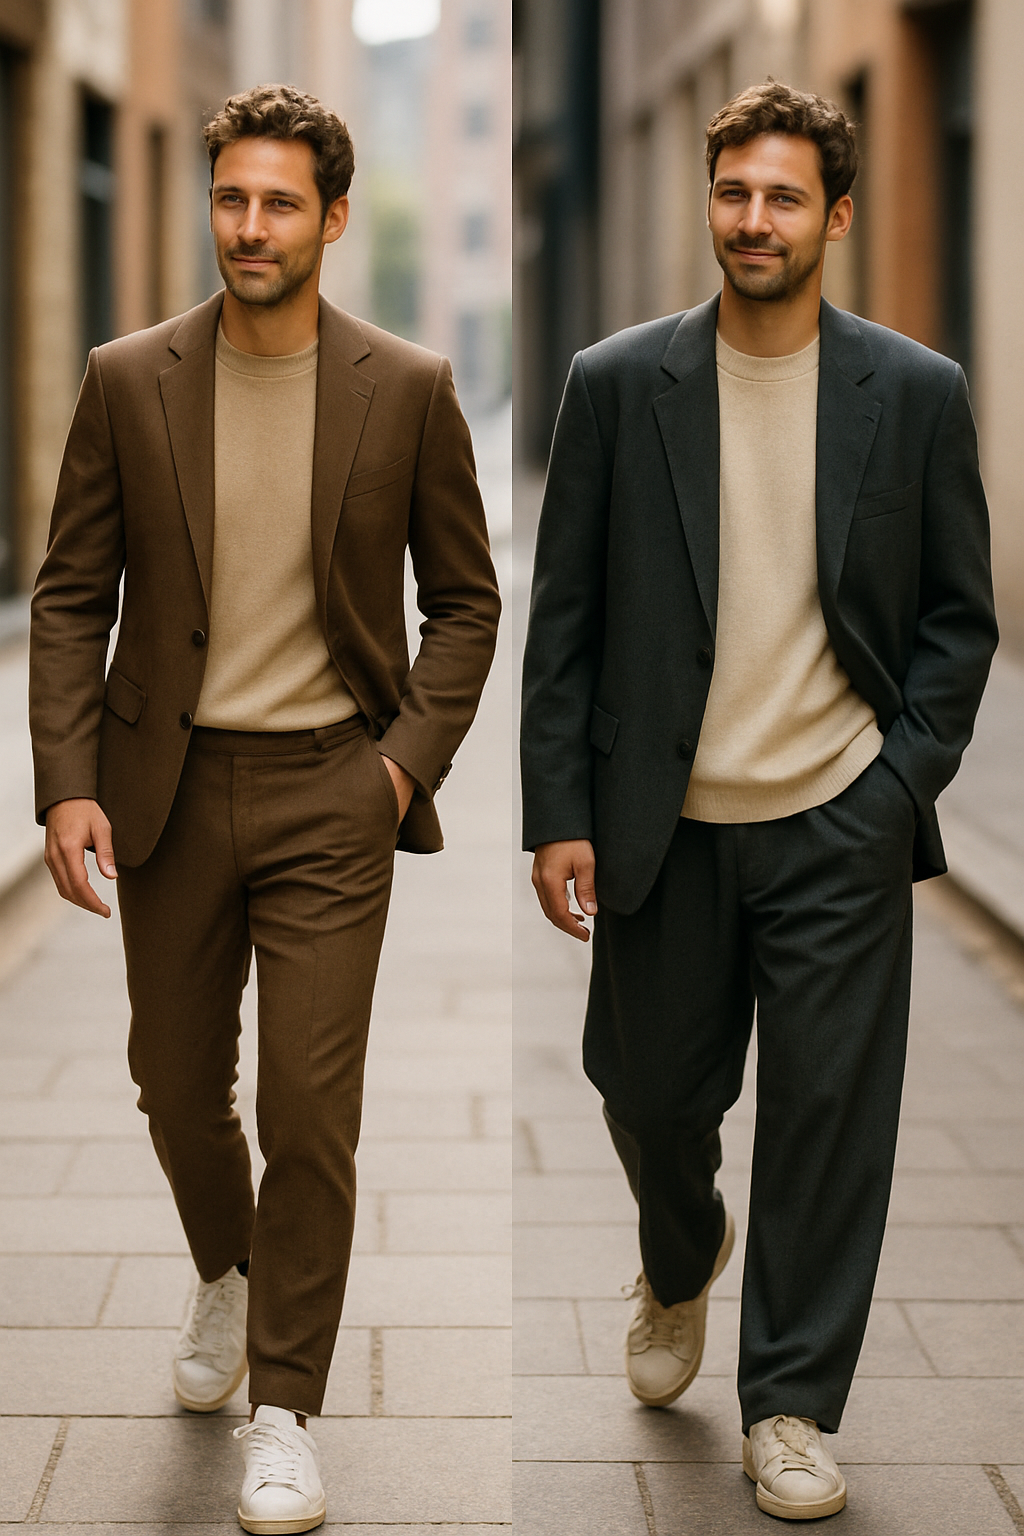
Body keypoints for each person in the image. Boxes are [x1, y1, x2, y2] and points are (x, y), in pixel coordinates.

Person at [520, 80, 996, 1521]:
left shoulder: (914, 394)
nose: (753, 219)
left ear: (835, 216)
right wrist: (559, 812)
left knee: (827, 1124)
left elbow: (956, 624)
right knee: (650, 1097)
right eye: (733, 193)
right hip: (666, 827)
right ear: (708, 202)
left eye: (785, 196)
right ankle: (680, 1257)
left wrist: (898, 781)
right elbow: (570, 619)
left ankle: (789, 1404)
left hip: (838, 818)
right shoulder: (618, 382)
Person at [30, 85, 499, 1534]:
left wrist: (397, 770)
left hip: (327, 795)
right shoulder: (128, 377)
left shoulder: (406, 387)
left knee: (311, 1106)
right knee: (177, 1090)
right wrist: (65, 787)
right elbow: (68, 598)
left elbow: (467, 604)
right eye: (232, 198)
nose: (250, 224)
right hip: (164, 786)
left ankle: (283, 1405)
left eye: (280, 201)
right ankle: (227, 1276)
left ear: (333, 218)